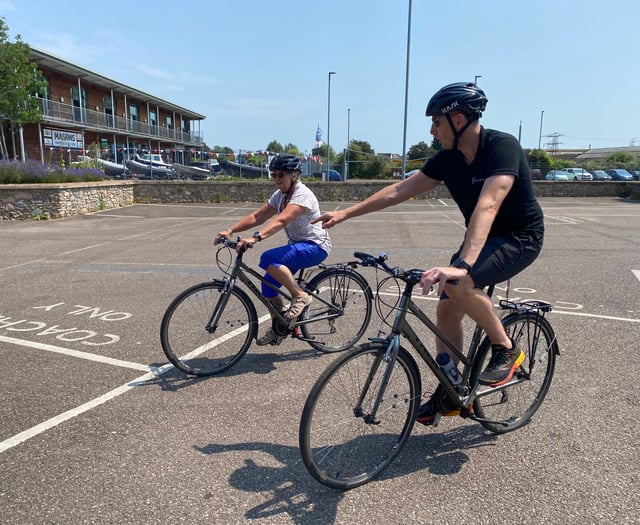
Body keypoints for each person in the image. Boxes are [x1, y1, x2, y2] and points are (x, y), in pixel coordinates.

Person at [312, 82, 544, 425]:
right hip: (481, 240)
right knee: (446, 311)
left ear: (460, 119)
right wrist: (346, 213)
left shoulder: (502, 147)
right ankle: (450, 393)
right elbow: (400, 189)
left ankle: (506, 348)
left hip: (519, 238)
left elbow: (489, 204)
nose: (431, 129)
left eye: (436, 121)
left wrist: (463, 265)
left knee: (459, 285)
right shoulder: (448, 159)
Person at [215, 153, 331, 346]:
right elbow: (257, 217)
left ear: (293, 175)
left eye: (281, 175)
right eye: (274, 175)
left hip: (315, 246)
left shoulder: (302, 194)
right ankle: (281, 326)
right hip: (297, 245)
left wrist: (255, 237)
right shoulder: (280, 196)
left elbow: (282, 220)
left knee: (268, 258)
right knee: (267, 286)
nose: (276, 179)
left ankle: (300, 296)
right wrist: (230, 230)